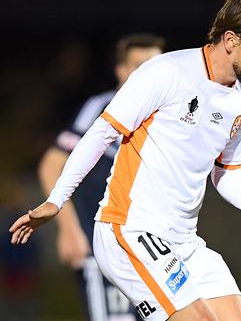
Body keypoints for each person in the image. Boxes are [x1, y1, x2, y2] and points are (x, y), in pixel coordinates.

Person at [11, 0, 241, 321]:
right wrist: (57, 200)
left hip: (185, 242)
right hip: (131, 231)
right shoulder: (167, 72)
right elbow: (101, 133)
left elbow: (227, 170)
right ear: (231, 40)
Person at [38, 33, 165, 321]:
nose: (149, 75)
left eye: (155, 67)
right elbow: (51, 164)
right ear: (121, 71)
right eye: (139, 66)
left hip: (154, 252)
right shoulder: (101, 108)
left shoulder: (170, 114)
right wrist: (69, 230)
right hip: (105, 250)